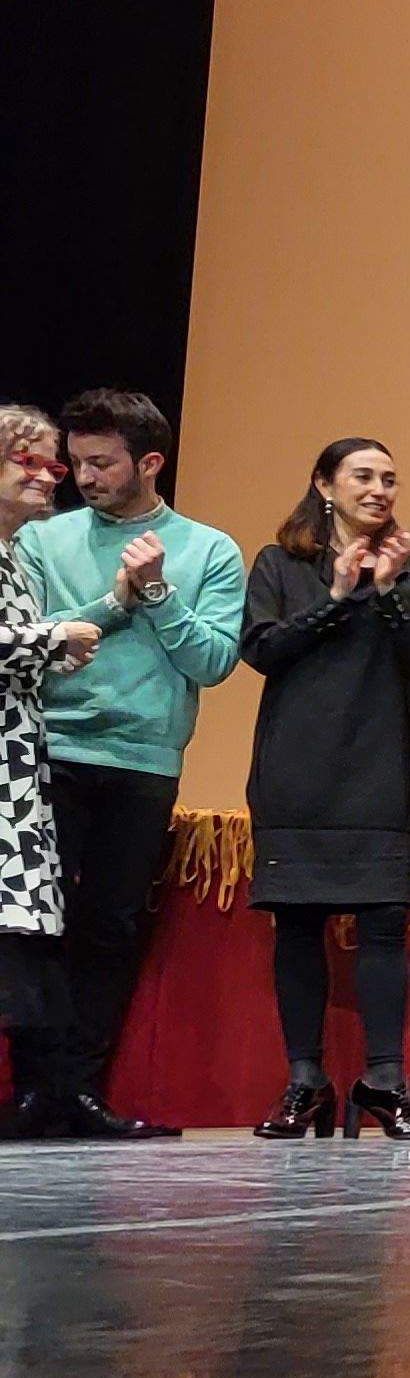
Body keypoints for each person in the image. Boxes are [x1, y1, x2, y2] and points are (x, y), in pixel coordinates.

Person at [10, 390, 238, 1138]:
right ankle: (32, 1091)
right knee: (35, 928)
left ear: (150, 462)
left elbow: (211, 662)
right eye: (76, 462)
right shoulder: (43, 539)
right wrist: (113, 604)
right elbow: (30, 645)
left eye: (102, 462)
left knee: (108, 926)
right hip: (54, 750)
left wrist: (160, 594)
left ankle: (80, 1092)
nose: (84, 477)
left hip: (143, 760)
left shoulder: (210, 550)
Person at [240, 437, 410, 1141]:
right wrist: (334, 596)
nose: (380, 489)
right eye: (363, 476)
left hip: (378, 772)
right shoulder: (281, 565)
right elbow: (263, 650)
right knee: (297, 923)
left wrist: (384, 595)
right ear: (324, 486)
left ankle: (384, 1082)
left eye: (390, 478)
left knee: (384, 921)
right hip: (296, 773)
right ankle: (306, 1081)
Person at [0, 412, 105, 1105]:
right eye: (26, 462)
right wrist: (51, 637)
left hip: (15, 765)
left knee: (22, 933)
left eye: (51, 467)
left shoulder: (13, 554)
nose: (44, 477)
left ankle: (52, 1096)